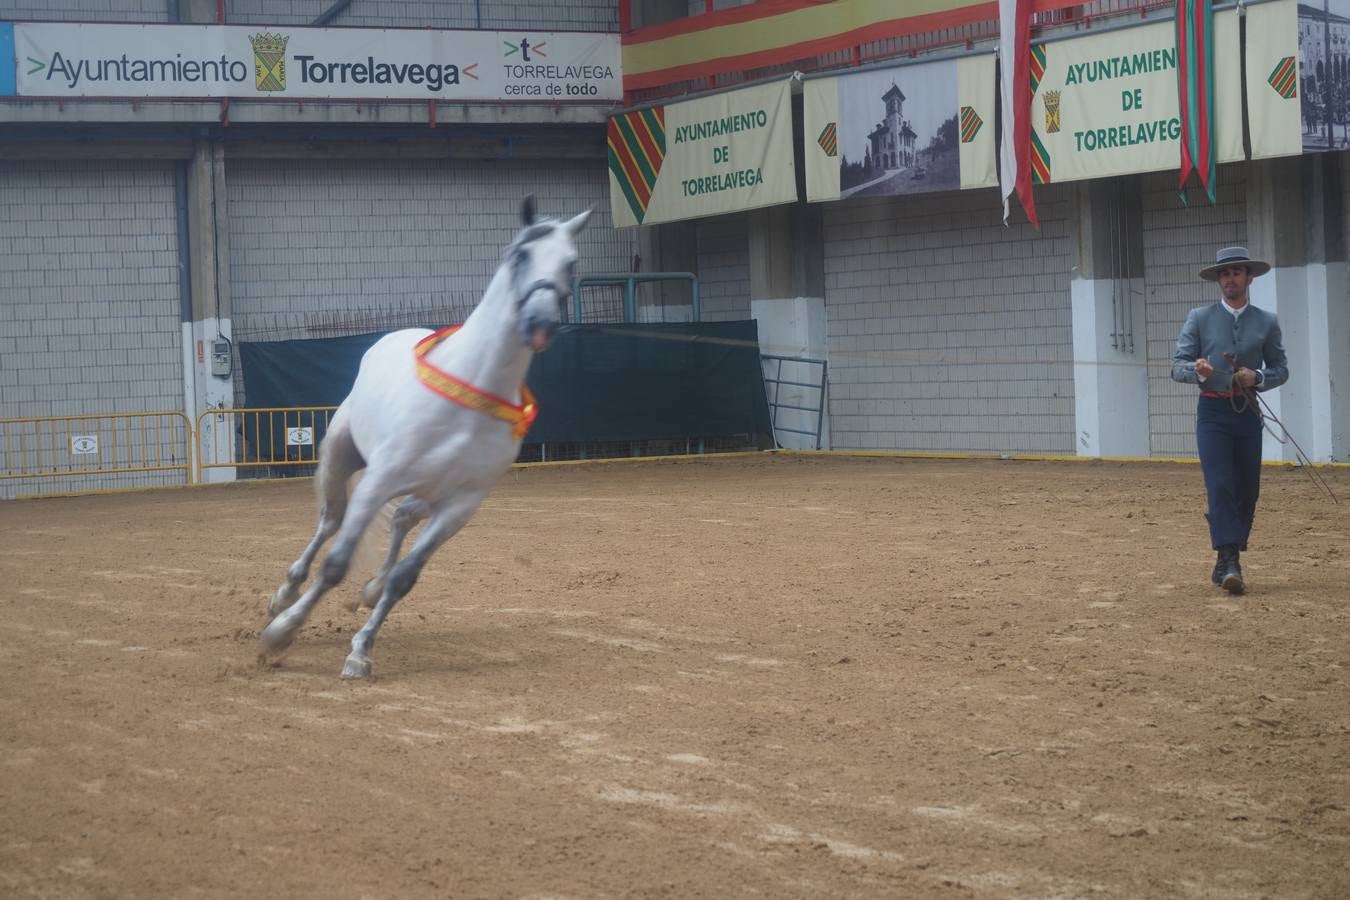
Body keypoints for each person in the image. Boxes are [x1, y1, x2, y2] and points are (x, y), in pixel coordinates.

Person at [1171, 247, 1289, 594]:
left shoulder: (1266, 321)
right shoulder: (1199, 317)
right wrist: (1198, 371)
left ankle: (1227, 555)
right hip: (1212, 412)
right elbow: (1177, 367)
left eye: (1237, 273)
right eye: (1225, 274)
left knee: (1247, 490)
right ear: (1218, 280)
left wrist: (1259, 378)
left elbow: (1281, 370)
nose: (1230, 280)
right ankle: (1229, 559)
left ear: (1249, 278)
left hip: (1248, 412)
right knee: (1220, 483)